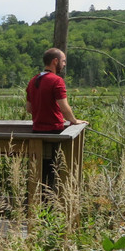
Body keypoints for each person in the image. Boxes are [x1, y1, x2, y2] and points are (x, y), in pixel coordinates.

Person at [25, 47, 87, 192]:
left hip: (36, 132)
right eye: (63, 61)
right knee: (54, 172)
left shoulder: (33, 80)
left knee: (38, 172)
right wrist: (74, 120)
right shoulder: (56, 81)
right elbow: (64, 108)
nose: (64, 64)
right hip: (54, 133)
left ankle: (36, 203)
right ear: (55, 61)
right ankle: (50, 205)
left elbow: (29, 108)